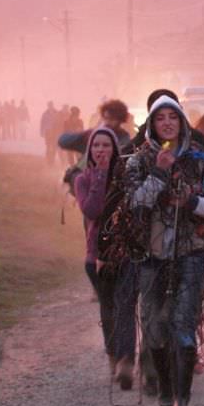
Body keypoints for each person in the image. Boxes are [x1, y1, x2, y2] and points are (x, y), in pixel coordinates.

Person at [123, 94, 204, 406]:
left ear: (181, 122)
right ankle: (166, 389)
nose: (167, 123)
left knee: (183, 325)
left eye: (172, 117)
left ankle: (183, 399)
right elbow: (134, 205)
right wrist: (158, 174)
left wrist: (192, 204)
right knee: (154, 327)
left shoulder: (200, 161)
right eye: (160, 118)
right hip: (152, 257)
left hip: (190, 254)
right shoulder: (136, 163)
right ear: (152, 124)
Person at [74, 127, 129, 386]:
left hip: (126, 253)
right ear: (90, 151)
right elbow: (92, 211)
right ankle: (113, 356)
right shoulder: (82, 180)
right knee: (108, 308)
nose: (101, 150)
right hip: (95, 256)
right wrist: (100, 176)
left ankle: (128, 358)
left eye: (106, 146)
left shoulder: (125, 178)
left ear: (114, 149)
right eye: (96, 146)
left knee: (125, 306)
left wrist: (112, 176)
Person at [40, 101, 60, 166]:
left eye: (51, 105)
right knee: (48, 146)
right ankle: (48, 160)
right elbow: (42, 123)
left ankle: (52, 161)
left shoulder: (57, 113)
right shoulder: (45, 114)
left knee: (54, 147)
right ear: (48, 106)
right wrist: (41, 131)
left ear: (53, 105)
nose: (50, 106)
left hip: (55, 132)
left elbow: (60, 122)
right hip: (47, 132)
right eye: (49, 105)